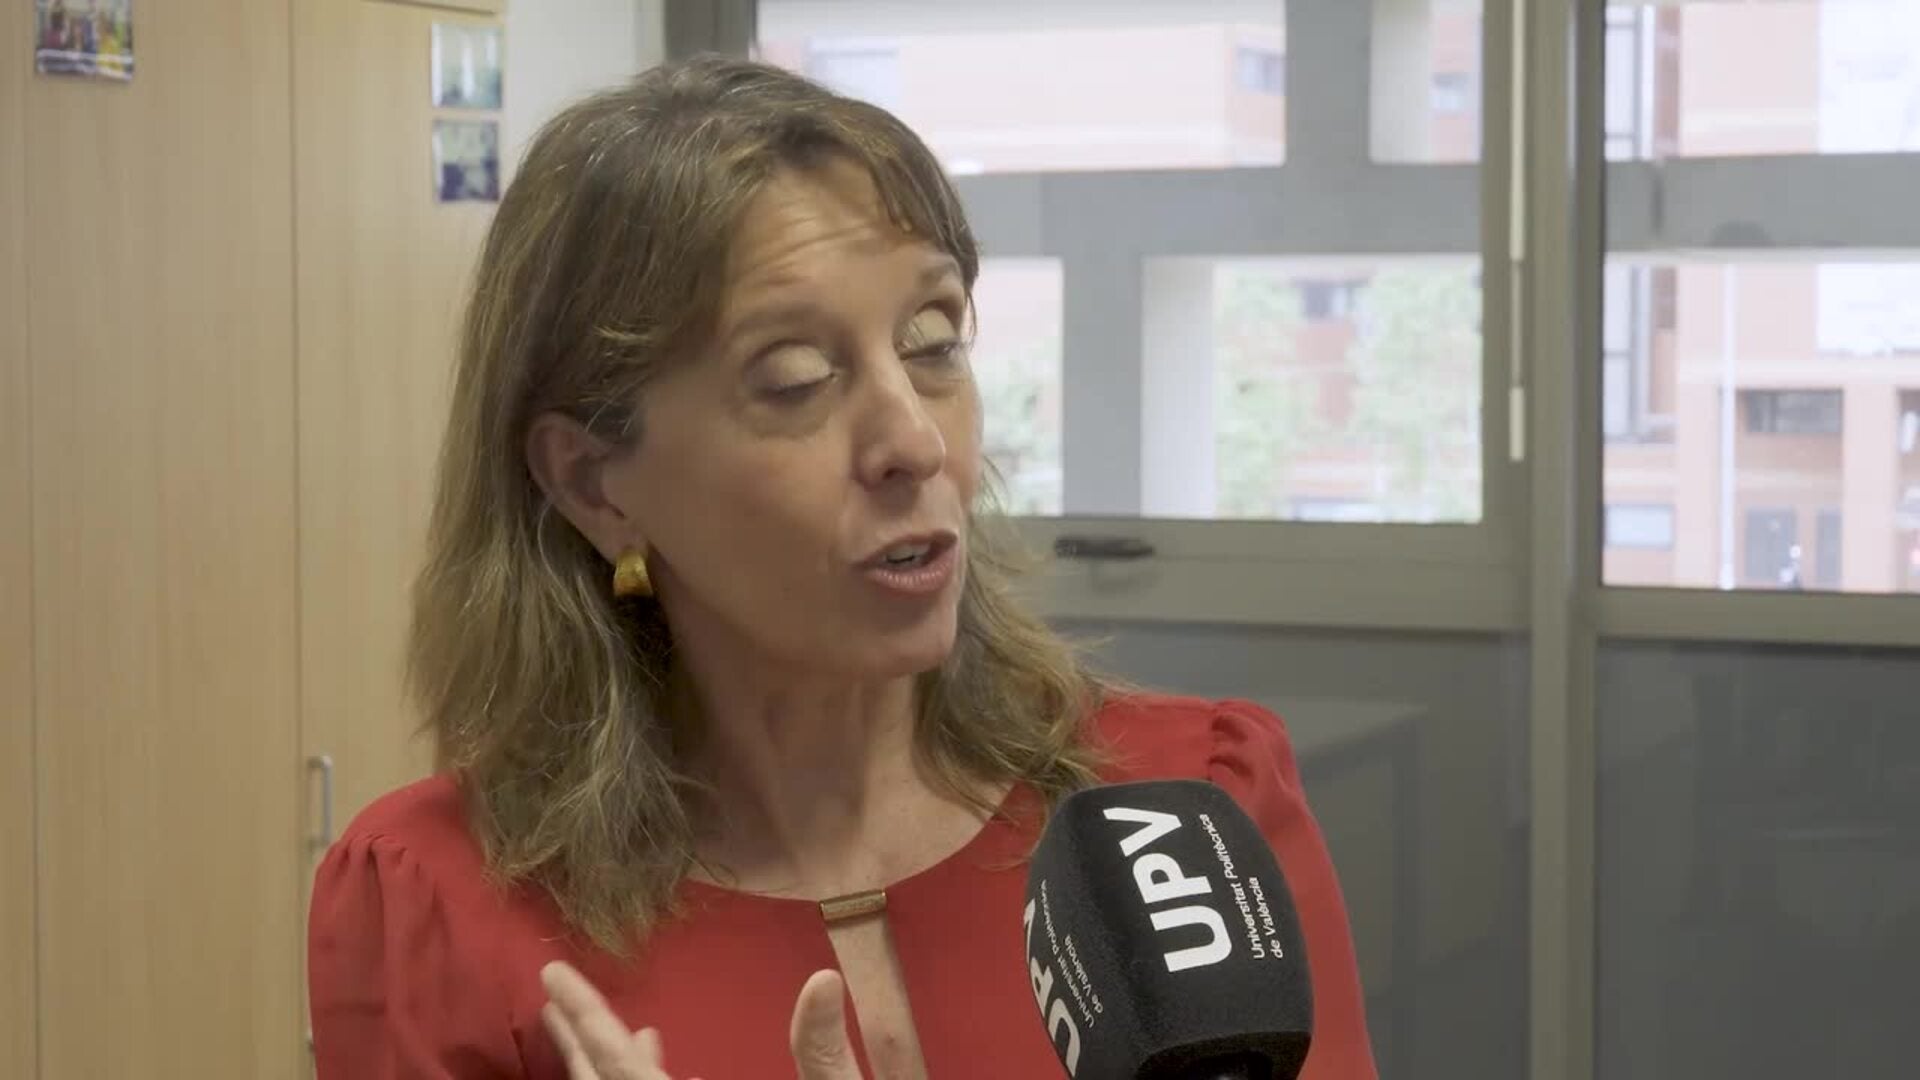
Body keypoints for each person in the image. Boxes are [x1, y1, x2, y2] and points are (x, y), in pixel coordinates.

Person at [306, 54, 1377, 1080]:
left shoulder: (1184, 829)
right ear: (595, 483)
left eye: (933, 340)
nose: (914, 439)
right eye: (796, 378)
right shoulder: (439, 911)